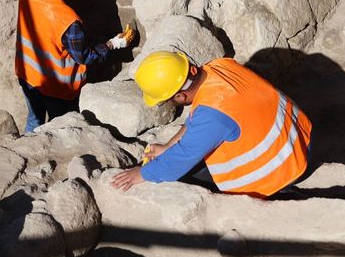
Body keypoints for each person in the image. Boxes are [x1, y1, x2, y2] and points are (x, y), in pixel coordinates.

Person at [111, 51, 313, 198]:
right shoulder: (219, 67)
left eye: (167, 100)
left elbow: (178, 161)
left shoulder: (213, 115)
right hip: (301, 138)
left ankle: (284, 194)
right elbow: (197, 118)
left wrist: (142, 173)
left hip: (280, 169)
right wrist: (168, 146)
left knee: (186, 179)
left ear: (180, 96)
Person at [14, 0, 134, 132]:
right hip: (56, 88)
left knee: (34, 121)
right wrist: (114, 44)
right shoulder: (68, 20)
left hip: (28, 74)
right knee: (59, 128)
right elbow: (84, 57)